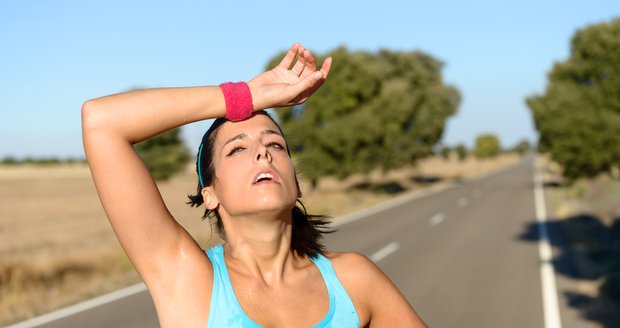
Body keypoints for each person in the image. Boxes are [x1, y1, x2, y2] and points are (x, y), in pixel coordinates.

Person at [82, 43, 427, 327]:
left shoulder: (354, 279)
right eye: (237, 149)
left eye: (275, 144)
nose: (262, 152)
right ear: (210, 194)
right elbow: (101, 122)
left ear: (297, 184)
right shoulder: (191, 282)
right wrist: (245, 96)